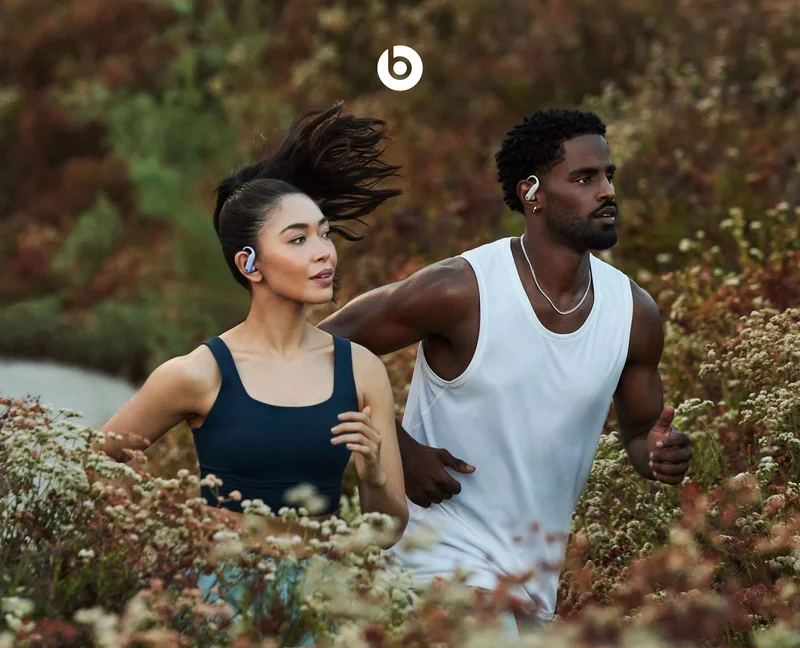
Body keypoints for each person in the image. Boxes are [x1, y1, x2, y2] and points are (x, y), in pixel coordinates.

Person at [318, 108, 693, 635]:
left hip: (531, 585)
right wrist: (398, 451)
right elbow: (317, 352)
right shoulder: (461, 290)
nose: (607, 191)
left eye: (609, 176)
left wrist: (656, 454)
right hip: (434, 558)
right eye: (585, 178)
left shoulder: (634, 314)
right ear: (532, 193)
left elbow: (637, 432)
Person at [97, 104, 409, 641]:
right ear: (249, 264)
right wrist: (156, 530)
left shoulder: (360, 370)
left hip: (320, 607)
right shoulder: (197, 373)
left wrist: (374, 477)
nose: (323, 254)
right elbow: (88, 465)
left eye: (324, 234)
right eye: (297, 239)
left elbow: (388, 529)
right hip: (220, 606)